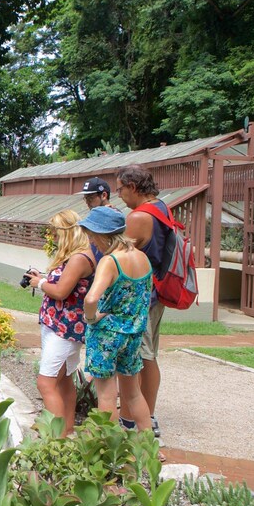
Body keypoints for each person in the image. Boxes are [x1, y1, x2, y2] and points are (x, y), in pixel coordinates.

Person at [79, 206, 154, 432]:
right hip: (133, 334)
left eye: (92, 236)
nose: (92, 242)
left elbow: (91, 298)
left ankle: (111, 449)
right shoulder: (142, 258)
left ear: (103, 235)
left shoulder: (110, 261)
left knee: (107, 395)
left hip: (107, 337)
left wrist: (91, 318)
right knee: (133, 394)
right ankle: (148, 445)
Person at [23, 210, 96, 436]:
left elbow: (62, 291)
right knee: (64, 381)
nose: (53, 237)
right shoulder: (77, 255)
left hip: (64, 329)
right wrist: (43, 277)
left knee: (45, 383)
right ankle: (66, 430)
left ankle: (55, 440)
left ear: (67, 232)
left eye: (55, 233)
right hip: (60, 326)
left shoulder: (79, 258)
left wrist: (40, 283)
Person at [116, 165, 168, 436]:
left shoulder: (139, 216)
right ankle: (148, 414)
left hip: (142, 297)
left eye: (120, 189)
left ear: (132, 187)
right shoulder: (162, 208)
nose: (120, 195)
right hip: (157, 292)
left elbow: (119, 256)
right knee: (150, 355)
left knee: (139, 357)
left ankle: (140, 420)